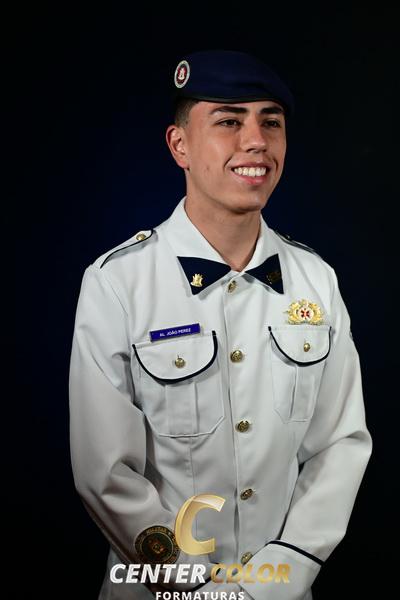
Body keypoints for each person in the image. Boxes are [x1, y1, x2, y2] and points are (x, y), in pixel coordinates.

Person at [69, 50, 372, 600]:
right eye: (229, 121)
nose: (256, 141)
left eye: (271, 122)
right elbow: (105, 474)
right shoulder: (118, 283)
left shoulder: (317, 281)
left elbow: (339, 446)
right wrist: (194, 584)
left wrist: (273, 581)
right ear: (179, 145)